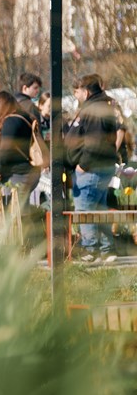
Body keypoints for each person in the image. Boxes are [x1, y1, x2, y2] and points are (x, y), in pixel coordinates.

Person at [65, 74, 119, 263]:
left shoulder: (94, 108)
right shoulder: (101, 106)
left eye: (77, 91)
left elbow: (95, 141)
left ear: (86, 91)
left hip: (91, 169)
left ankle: (91, 250)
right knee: (99, 209)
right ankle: (106, 249)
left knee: (85, 210)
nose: (75, 94)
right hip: (100, 167)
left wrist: (82, 165)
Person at [0, 91, 41, 214]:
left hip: (18, 173)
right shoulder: (22, 117)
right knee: (20, 211)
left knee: (15, 214)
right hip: (26, 171)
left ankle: (27, 233)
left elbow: (6, 150)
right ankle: (29, 232)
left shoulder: (11, 121)